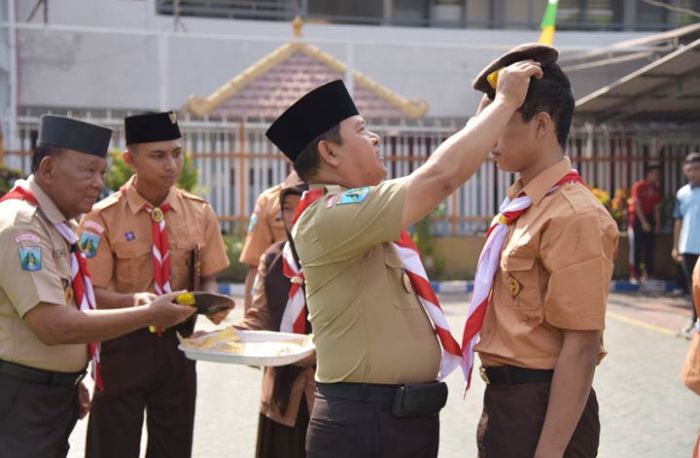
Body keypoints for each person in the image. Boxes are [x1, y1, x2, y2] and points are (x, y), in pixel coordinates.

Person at [265, 58, 542, 457]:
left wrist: (487, 112)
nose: (375, 138)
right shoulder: (330, 215)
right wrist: (505, 103)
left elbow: (441, 168)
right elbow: (438, 177)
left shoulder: (360, 215)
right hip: (366, 426)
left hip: (393, 420)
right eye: (362, 130)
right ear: (329, 152)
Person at [0, 115, 195, 458]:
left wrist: (72, 377)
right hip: (23, 394)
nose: (98, 183)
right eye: (88, 171)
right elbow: (53, 325)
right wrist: (148, 313)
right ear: (48, 169)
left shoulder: (56, 224)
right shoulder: (23, 227)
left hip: (49, 391)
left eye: (102, 173)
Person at [465, 44, 619, 457]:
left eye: (499, 123)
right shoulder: (523, 206)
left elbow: (582, 346)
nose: (487, 140)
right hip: (508, 405)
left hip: (543, 408)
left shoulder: (573, 215)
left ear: (542, 124)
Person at [78, 112, 231, 458]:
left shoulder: (199, 212)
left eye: (177, 153)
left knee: (173, 445)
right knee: (113, 445)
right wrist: (140, 304)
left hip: (178, 348)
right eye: (158, 155)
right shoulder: (102, 217)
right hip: (123, 345)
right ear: (130, 159)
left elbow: (207, 274)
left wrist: (213, 301)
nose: (171, 164)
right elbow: (90, 295)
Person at [234, 171, 314, 458]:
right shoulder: (273, 258)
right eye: (287, 208)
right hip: (281, 397)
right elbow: (259, 317)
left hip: (327, 398)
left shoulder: (341, 258)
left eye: (302, 205)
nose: (293, 216)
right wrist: (226, 336)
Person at [240, 180, 290, 311]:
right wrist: (250, 315)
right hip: (281, 306)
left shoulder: (341, 194)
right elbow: (255, 265)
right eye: (289, 208)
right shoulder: (269, 201)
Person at [673, 152, 700, 339]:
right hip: (688, 247)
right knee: (694, 289)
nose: (693, 173)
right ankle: (694, 321)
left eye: (697, 169)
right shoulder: (682, 193)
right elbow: (678, 221)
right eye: (689, 169)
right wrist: (676, 246)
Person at [628, 165, 663, 283]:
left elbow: (656, 208)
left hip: (650, 218)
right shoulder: (639, 186)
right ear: (648, 174)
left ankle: (649, 273)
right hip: (638, 219)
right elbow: (637, 205)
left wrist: (657, 223)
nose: (657, 177)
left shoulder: (657, 189)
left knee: (650, 247)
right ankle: (635, 274)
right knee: (636, 247)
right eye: (655, 174)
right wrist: (643, 222)